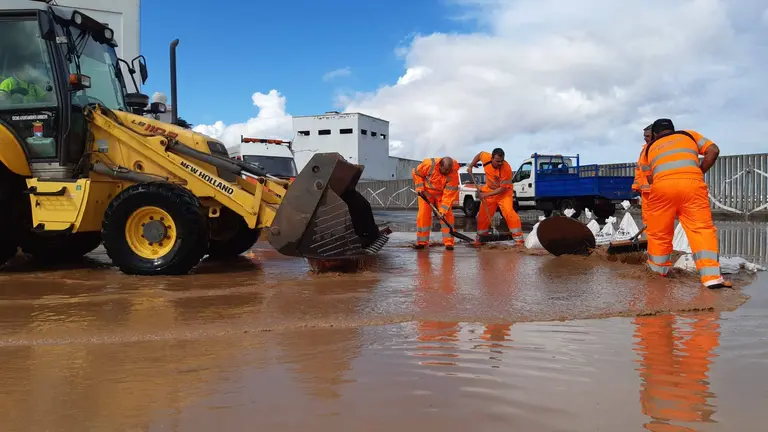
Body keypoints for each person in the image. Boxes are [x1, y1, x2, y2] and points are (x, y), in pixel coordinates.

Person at [637, 118, 731, 289]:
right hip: (692, 186)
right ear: (673, 129)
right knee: (701, 230)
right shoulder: (689, 135)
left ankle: (658, 273)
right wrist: (699, 171)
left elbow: (650, 179)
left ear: (655, 134)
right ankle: (712, 278)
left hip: (662, 188)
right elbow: (713, 150)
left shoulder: (648, 149)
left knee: (659, 233)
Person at [467, 148, 523, 245]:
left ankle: (518, 239)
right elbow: (480, 154)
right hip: (489, 189)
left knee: (509, 212)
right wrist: (471, 165)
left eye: (502, 161)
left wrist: (485, 195)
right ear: (492, 158)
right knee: (483, 216)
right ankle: (481, 237)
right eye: (497, 161)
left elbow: (502, 189)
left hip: (504, 193)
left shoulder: (506, 168)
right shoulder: (486, 157)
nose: (500, 163)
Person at [412, 156, 461, 250]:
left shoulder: (453, 174)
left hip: (441, 195)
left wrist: (442, 211)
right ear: (440, 166)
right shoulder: (428, 165)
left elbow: (449, 194)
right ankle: (422, 242)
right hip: (426, 193)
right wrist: (420, 187)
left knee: (447, 215)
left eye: (449, 170)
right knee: (423, 215)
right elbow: (416, 172)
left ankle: (449, 242)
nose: (447, 172)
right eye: (445, 170)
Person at [632, 124, 653, 225]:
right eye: (644, 136)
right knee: (647, 217)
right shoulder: (644, 150)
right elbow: (638, 169)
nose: (645, 138)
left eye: (647, 136)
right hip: (645, 191)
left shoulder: (656, 149)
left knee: (656, 216)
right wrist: (636, 185)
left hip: (654, 190)